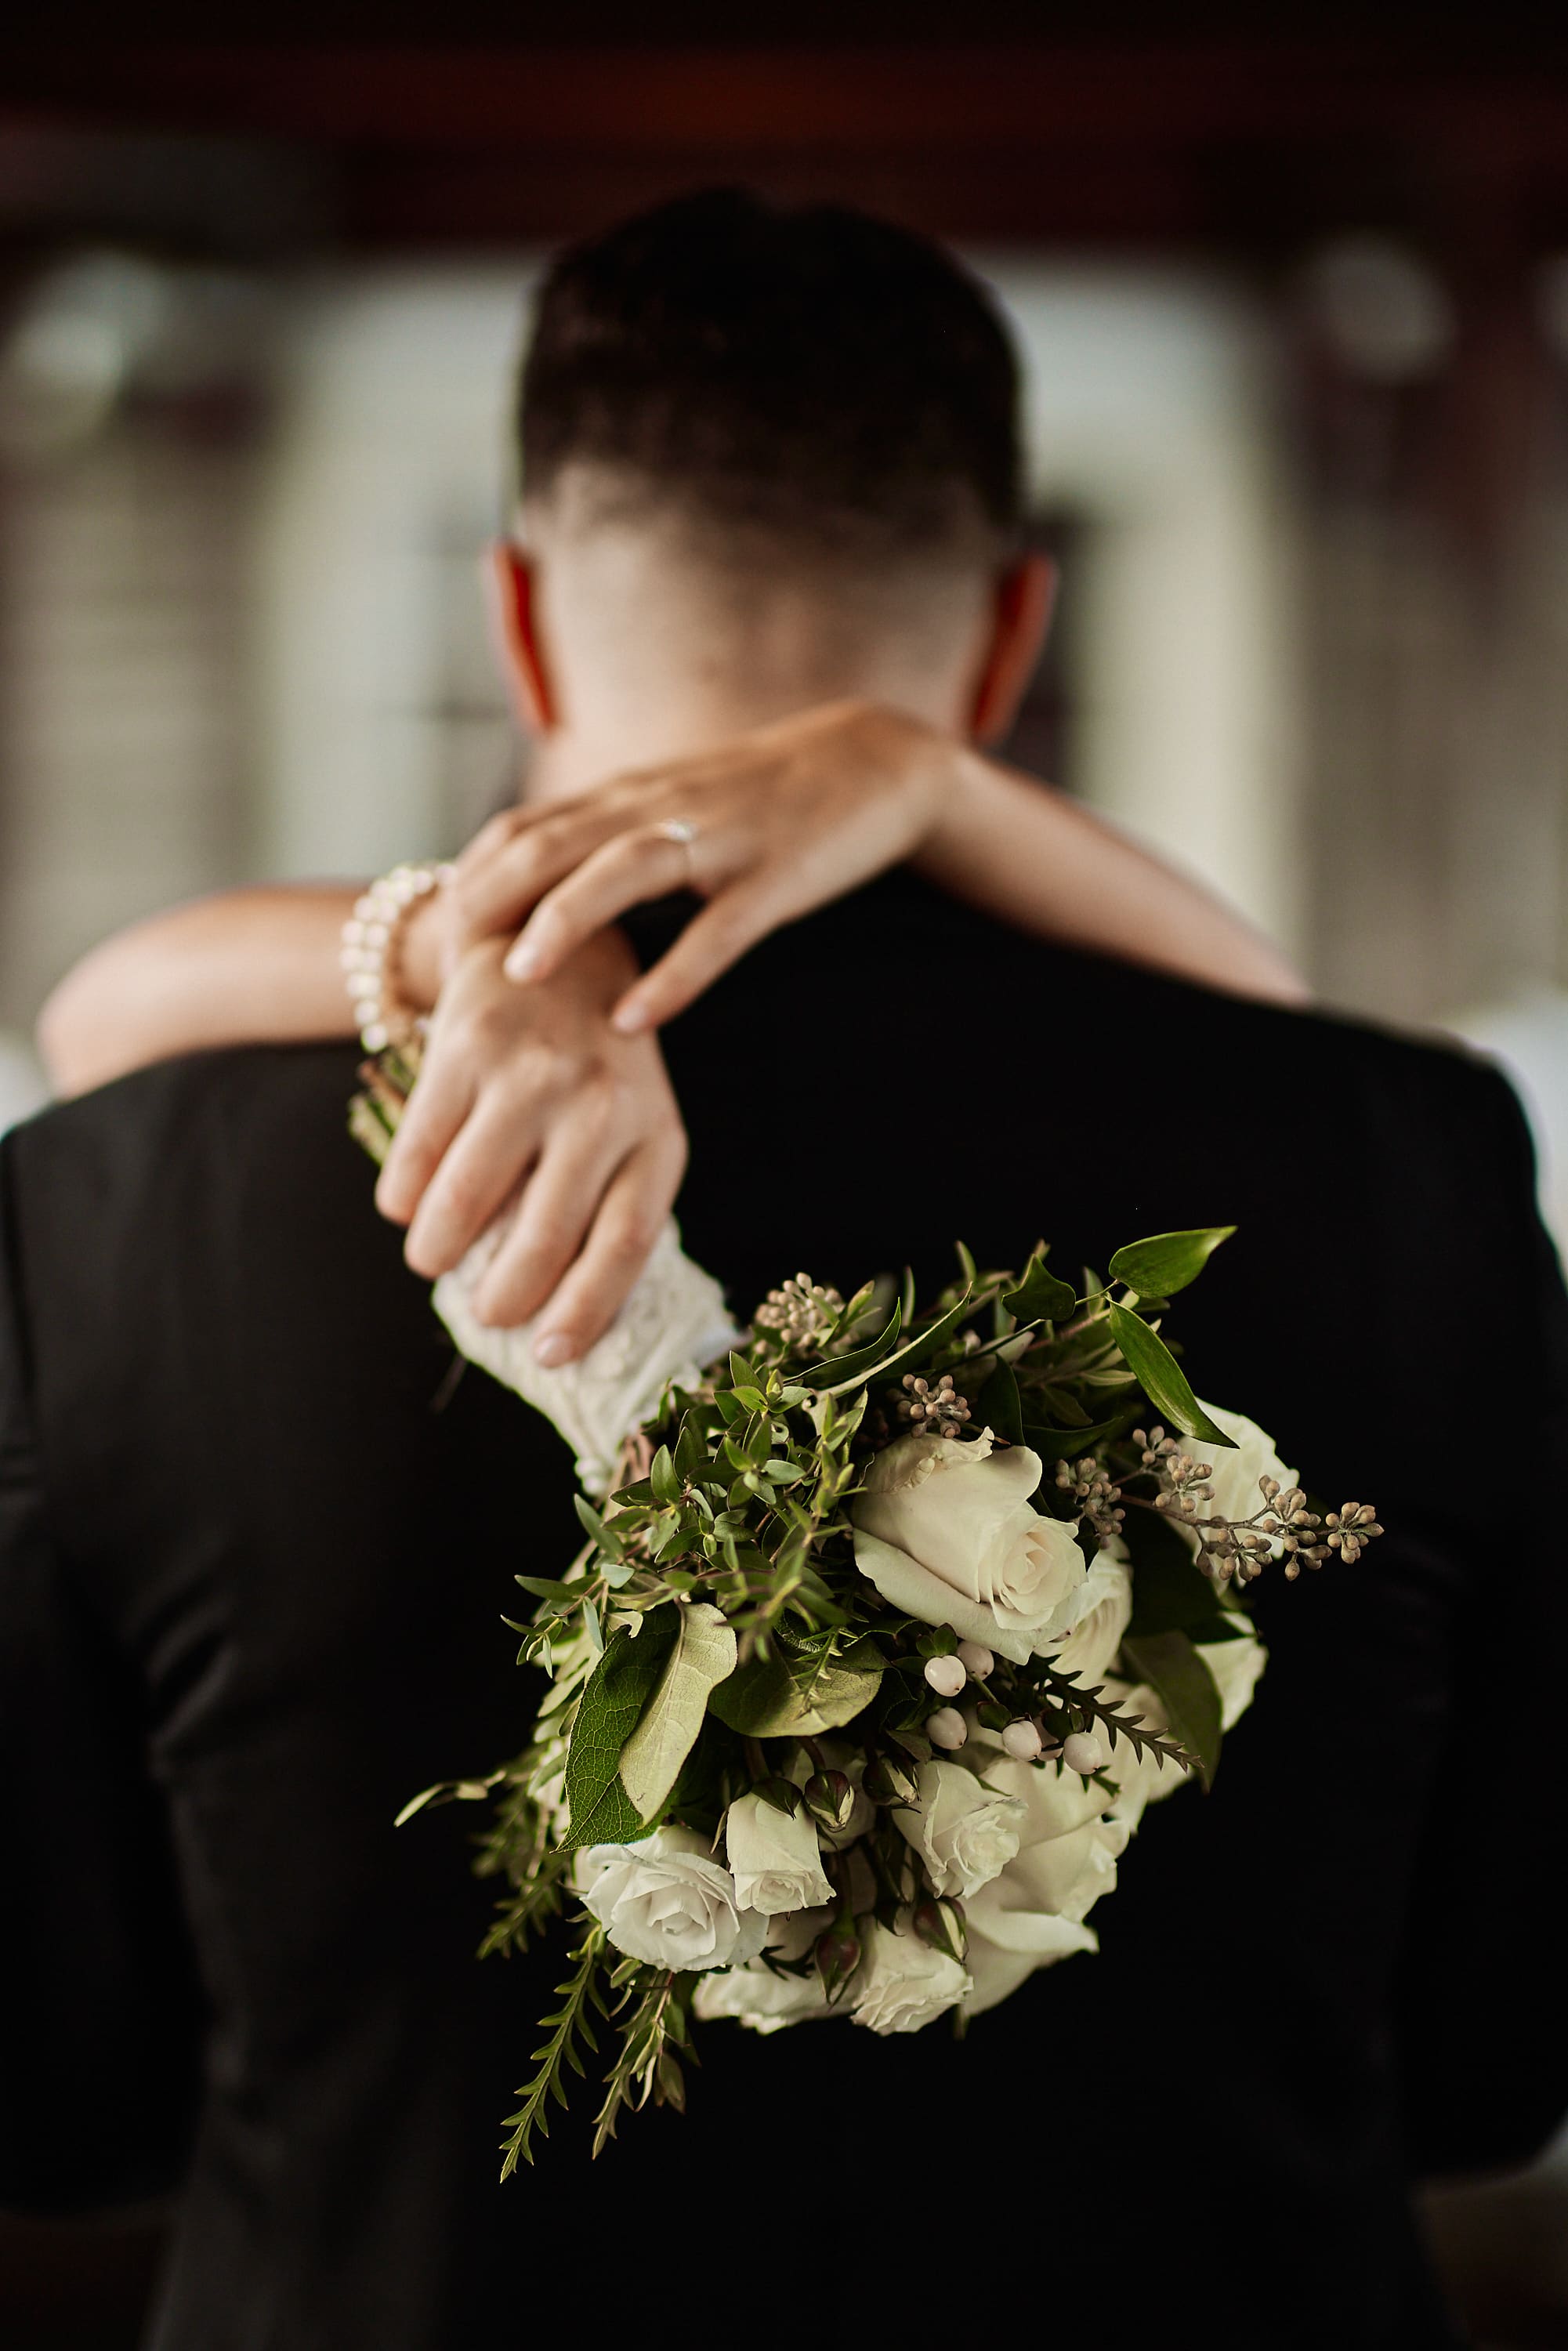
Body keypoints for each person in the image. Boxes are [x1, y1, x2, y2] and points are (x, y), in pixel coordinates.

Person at [2, 191, 1563, 2351]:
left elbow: (57, 2097)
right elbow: (1489, 2062)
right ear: (1008, 640)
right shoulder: (1414, 1165)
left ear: (518, 625)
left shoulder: (105, 1200)